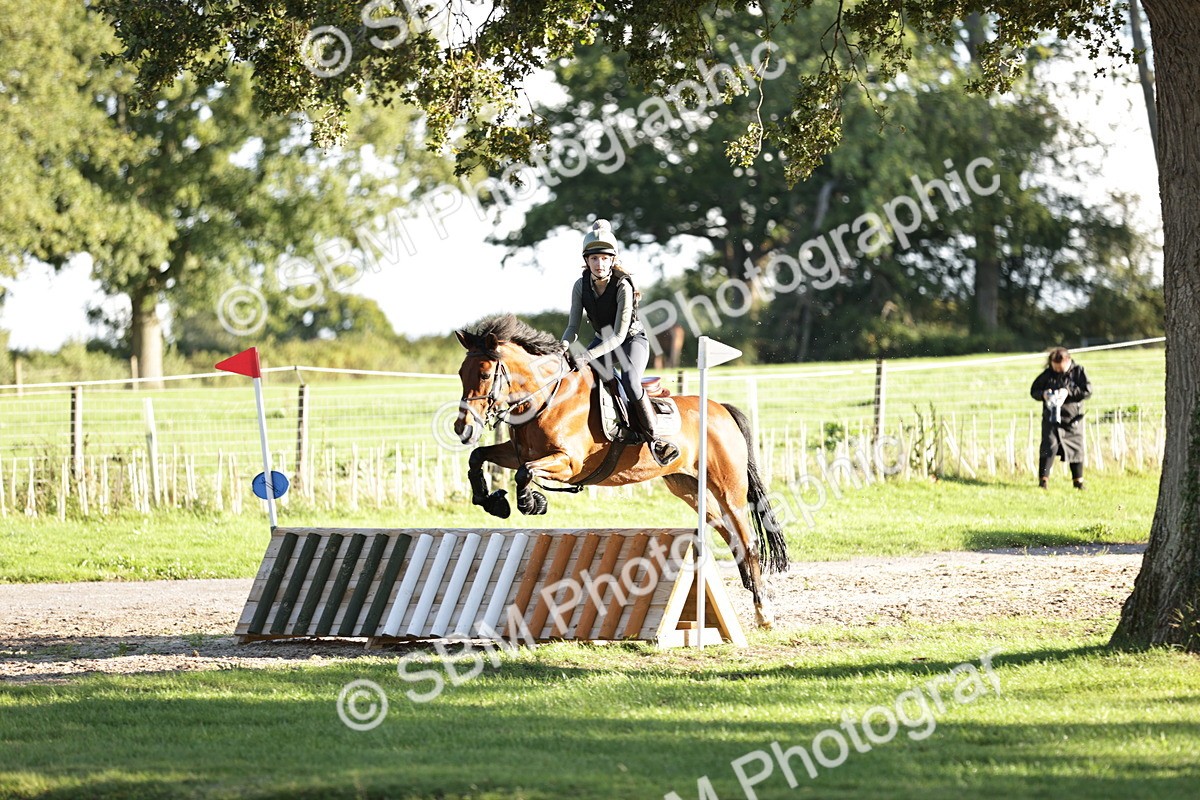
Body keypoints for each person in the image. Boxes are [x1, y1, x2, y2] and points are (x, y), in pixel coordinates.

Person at [561, 219, 680, 465]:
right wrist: (561, 350)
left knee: (630, 379)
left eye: (604, 258)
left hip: (631, 340)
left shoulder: (623, 285)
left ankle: (655, 438)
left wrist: (587, 355)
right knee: (580, 376)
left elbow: (618, 335)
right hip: (602, 340)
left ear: (612, 260)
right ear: (586, 261)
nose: (599, 263)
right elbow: (573, 327)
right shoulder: (579, 286)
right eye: (594, 258)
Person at [1030, 346, 1092, 490]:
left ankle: (1078, 481)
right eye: (1055, 368)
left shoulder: (1078, 372)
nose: (1057, 371)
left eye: (1060, 368)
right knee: (1048, 447)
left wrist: (1068, 392)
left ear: (1068, 361)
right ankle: (1043, 481)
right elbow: (1034, 391)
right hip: (1051, 419)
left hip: (1072, 419)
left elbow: (1087, 391)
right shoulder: (1047, 374)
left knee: (1076, 449)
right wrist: (1044, 395)